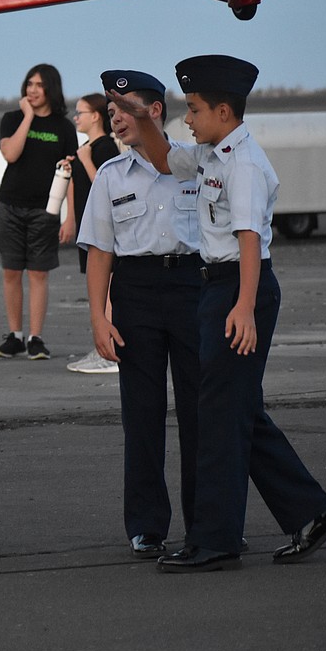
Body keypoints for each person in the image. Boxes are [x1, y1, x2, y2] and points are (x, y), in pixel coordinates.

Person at [116, 55, 326, 573]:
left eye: (194, 109)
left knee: (220, 419)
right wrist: (142, 117)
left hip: (237, 290)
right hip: (217, 290)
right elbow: (162, 160)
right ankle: (313, 512)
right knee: (237, 412)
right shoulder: (211, 154)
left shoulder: (242, 164)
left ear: (224, 111)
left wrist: (243, 309)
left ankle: (216, 540)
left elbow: (249, 239)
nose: (188, 119)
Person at [77, 71, 203, 559]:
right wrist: (98, 317)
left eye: (123, 109)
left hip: (193, 286)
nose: (115, 119)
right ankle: (147, 525)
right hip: (137, 293)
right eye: (110, 113)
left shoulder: (193, 166)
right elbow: (100, 253)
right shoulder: (111, 176)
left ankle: (206, 522)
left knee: (199, 412)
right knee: (142, 414)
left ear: (153, 111)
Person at [0, 64, 79, 360]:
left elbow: (70, 172)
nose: (32, 89)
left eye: (39, 85)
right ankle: (15, 336)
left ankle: (35, 338)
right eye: (29, 84)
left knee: (39, 274)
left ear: (51, 88)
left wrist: (71, 216)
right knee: (11, 271)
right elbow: (10, 153)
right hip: (10, 205)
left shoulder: (64, 127)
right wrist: (28, 116)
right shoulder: (12, 119)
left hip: (46, 209)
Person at [64, 92, 121, 374]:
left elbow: (107, 185)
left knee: (107, 288)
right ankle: (102, 346)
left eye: (81, 112)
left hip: (105, 228)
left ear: (96, 116)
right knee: (98, 286)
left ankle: (110, 351)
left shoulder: (104, 148)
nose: (76, 117)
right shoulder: (87, 147)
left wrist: (85, 160)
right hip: (90, 227)